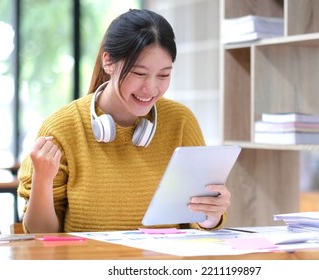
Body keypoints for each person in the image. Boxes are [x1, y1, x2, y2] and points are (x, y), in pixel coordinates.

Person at [17, 9, 231, 233]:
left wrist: (211, 215)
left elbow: (197, 220)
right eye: (139, 73)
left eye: (163, 75)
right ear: (108, 62)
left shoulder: (181, 121)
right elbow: (41, 235)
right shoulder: (62, 128)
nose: (151, 88)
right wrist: (42, 179)